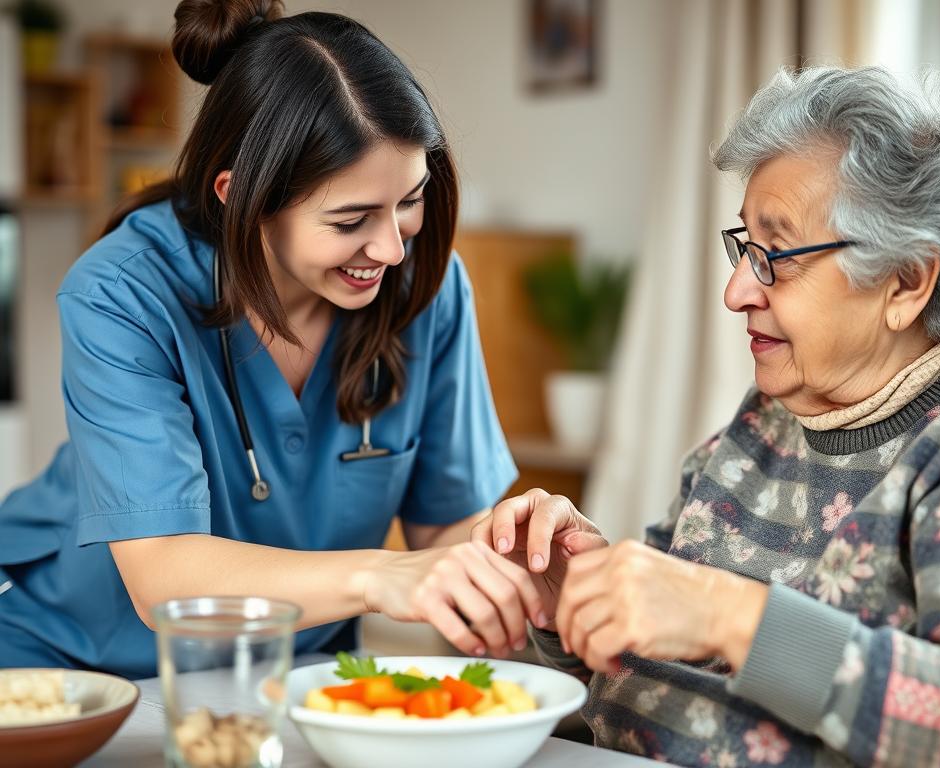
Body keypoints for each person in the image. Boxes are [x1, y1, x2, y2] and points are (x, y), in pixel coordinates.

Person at [475, 66, 940, 766]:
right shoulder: (768, 416)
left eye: (778, 257)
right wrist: (576, 604)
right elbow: (640, 691)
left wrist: (729, 615)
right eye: (745, 249)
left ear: (907, 280)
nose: (737, 291)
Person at [0, 0, 548, 678]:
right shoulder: (122, 291)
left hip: (287, 670)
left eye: (408, 200)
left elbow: (443, 534)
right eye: (351, 219)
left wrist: (514, 554)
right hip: (76, 664)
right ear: (241, 194)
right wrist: (382, 576)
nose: (391, 249)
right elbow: (164, 573)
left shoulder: (427, 288)